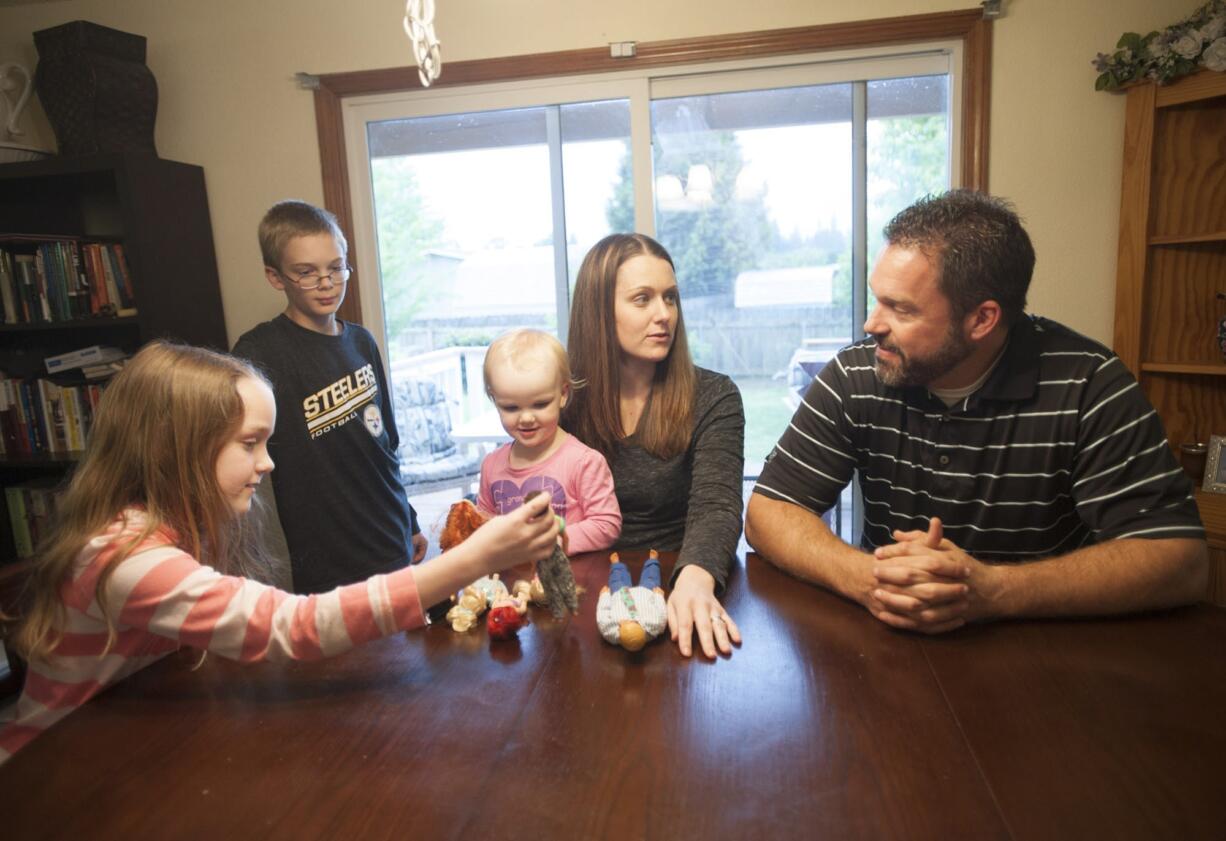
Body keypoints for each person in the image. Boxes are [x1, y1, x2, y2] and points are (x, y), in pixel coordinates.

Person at [0, 342, 559, 763]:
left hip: (124, 741)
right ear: (178, 449)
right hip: (49, 769)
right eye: (249, 443)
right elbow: (293, 627)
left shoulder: (176, 530)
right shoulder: (129, 560)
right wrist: (473, 558)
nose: (267, 463)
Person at [746, 190, 1207, 633]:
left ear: (981, 320)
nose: (872, 324)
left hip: (1045, 651)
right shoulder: (858, 373)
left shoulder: (1088, 385)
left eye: (900, 309)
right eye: (877, 298)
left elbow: (1179, 560)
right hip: (885, 639)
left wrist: (994, 591)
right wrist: (868, 578)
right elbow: (768, 511)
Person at [563, 233, 745, 659]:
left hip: (678, 584)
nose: (664, 314)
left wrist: (696, 581)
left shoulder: (714, 396)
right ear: (598, 312)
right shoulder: (563, 402)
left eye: (670, 298)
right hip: (581, 593)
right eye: (642, 299)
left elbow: (717, 508)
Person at [233, 200, 427, 594]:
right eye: (306, 273)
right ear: (276, 277)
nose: (326, 283)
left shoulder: (362, 342)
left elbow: (385, 444)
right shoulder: (259, 353)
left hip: (390, 538)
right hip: (326, 560)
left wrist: (410, 520)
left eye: (336, 267)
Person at [477, 329, 621, 553]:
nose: (526, 418)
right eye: (511, 407)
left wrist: (551, 540)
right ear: (495, 400)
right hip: (509, 584)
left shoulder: (584, 462)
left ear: (563, 394)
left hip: (572, 582)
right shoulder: (491, 466)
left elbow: (606, 525)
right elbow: (483, 528)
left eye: (540, 404)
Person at [596, 550, 668, 652]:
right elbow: (662, 613)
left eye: (622, 624)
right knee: (651, 577)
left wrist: (604, 597)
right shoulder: (655, 626)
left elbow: (602, 613)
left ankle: (616, 564)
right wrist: (658, 596)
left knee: (617, 579)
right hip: (645, 593)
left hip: (621, 594)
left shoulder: (609, 631)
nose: (624, 621)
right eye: (632, 622)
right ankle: (653, 561)